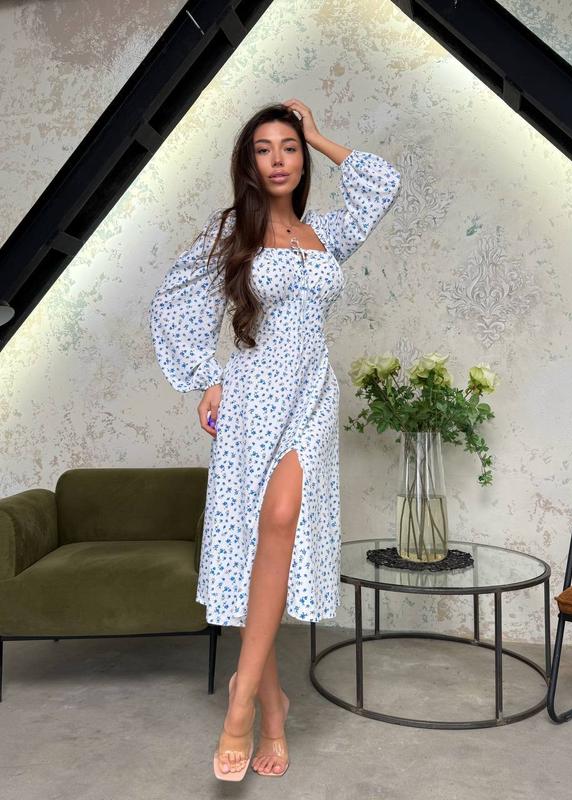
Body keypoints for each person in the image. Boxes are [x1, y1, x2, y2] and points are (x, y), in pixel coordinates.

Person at [149, 99, 402, 780]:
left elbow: (382, 183)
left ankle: (240, 703)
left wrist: (320, 133)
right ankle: (267, 706)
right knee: (249, 540)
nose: (279, 159)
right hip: (253, 394)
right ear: (249, 163)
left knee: (282, 521)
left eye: (289, 147)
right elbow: (176, 301)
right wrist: (207, 379)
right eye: (264, 149)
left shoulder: (326, 231)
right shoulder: (232, 230)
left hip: (312, 394)